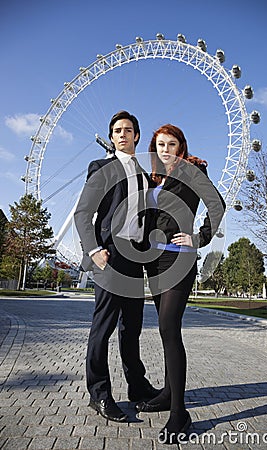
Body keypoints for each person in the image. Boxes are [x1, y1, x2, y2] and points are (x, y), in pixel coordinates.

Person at [136, 124, 226, 444]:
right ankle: (167, 393)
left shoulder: (192, 171)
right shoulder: (156, 179)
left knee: (168, 328)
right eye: (160, 144)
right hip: (154, 261)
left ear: (181, 146)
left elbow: (217, 206)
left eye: (171, 144)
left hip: (179, 257)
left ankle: (179, 412)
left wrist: (199, 238)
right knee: (165, 330)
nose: (165, 149)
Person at [74, 110, 161, 423]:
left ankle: (137, 388)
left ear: (136, 135)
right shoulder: (101, 168)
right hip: (109, 256)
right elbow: (83, 213)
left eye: (127, 130)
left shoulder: (146, 175)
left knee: (132, 329)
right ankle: (99, 394)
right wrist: (94, 250)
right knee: (103, 327)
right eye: (116, 131)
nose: (122, 134)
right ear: (111, 138)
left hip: (135, 259)